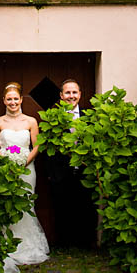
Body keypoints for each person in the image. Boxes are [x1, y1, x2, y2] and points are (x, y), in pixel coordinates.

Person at [0, 82, 50, 273]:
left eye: (16, 98)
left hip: (26, 168)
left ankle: (26, 245)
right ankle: (6, 243)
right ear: (4, 101)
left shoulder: (31, 121)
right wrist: (7, 162)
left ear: (21, 99)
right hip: (5, 170)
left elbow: (37, 146)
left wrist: (23, 162)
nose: (13, 102)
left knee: (25, 204)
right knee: (7, 204)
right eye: (9, 99)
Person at [46, 79, 98, 248]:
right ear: (61, 96)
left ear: (80, 94)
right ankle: (64, 243)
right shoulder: (53, 117)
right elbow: (49, 148)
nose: (71, 96)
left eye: (74, 92)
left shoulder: (90, 117)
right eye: (67, 93)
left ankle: (85, 242)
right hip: (61, 171)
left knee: (85, 207)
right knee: (62, 207)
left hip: (84, 170)